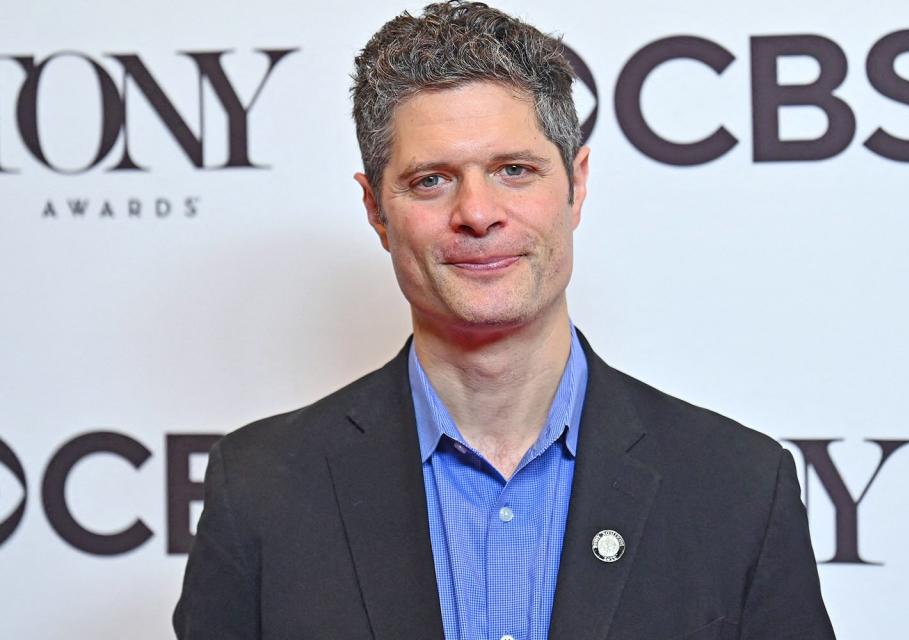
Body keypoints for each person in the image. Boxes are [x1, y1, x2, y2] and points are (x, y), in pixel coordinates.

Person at [173, 2, 836, 639]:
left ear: (575, 185)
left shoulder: (740, 488)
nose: (478, 213)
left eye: (513, 170)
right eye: (431, 179)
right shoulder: (259, 489)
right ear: (376, 210)